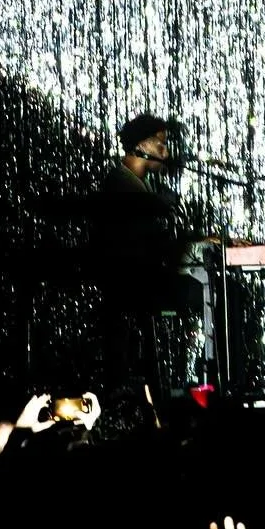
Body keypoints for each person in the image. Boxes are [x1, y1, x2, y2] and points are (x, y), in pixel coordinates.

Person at [87, 112, 206, 403]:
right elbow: (147, 249)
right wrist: (194, 244)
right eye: (161, 145)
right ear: (142, 145)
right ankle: (210, 387)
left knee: (205, 289)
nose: (167, 152)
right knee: (210, 294)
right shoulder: (122, 187)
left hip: (142, 283)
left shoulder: (138, 184)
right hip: (134, 288)